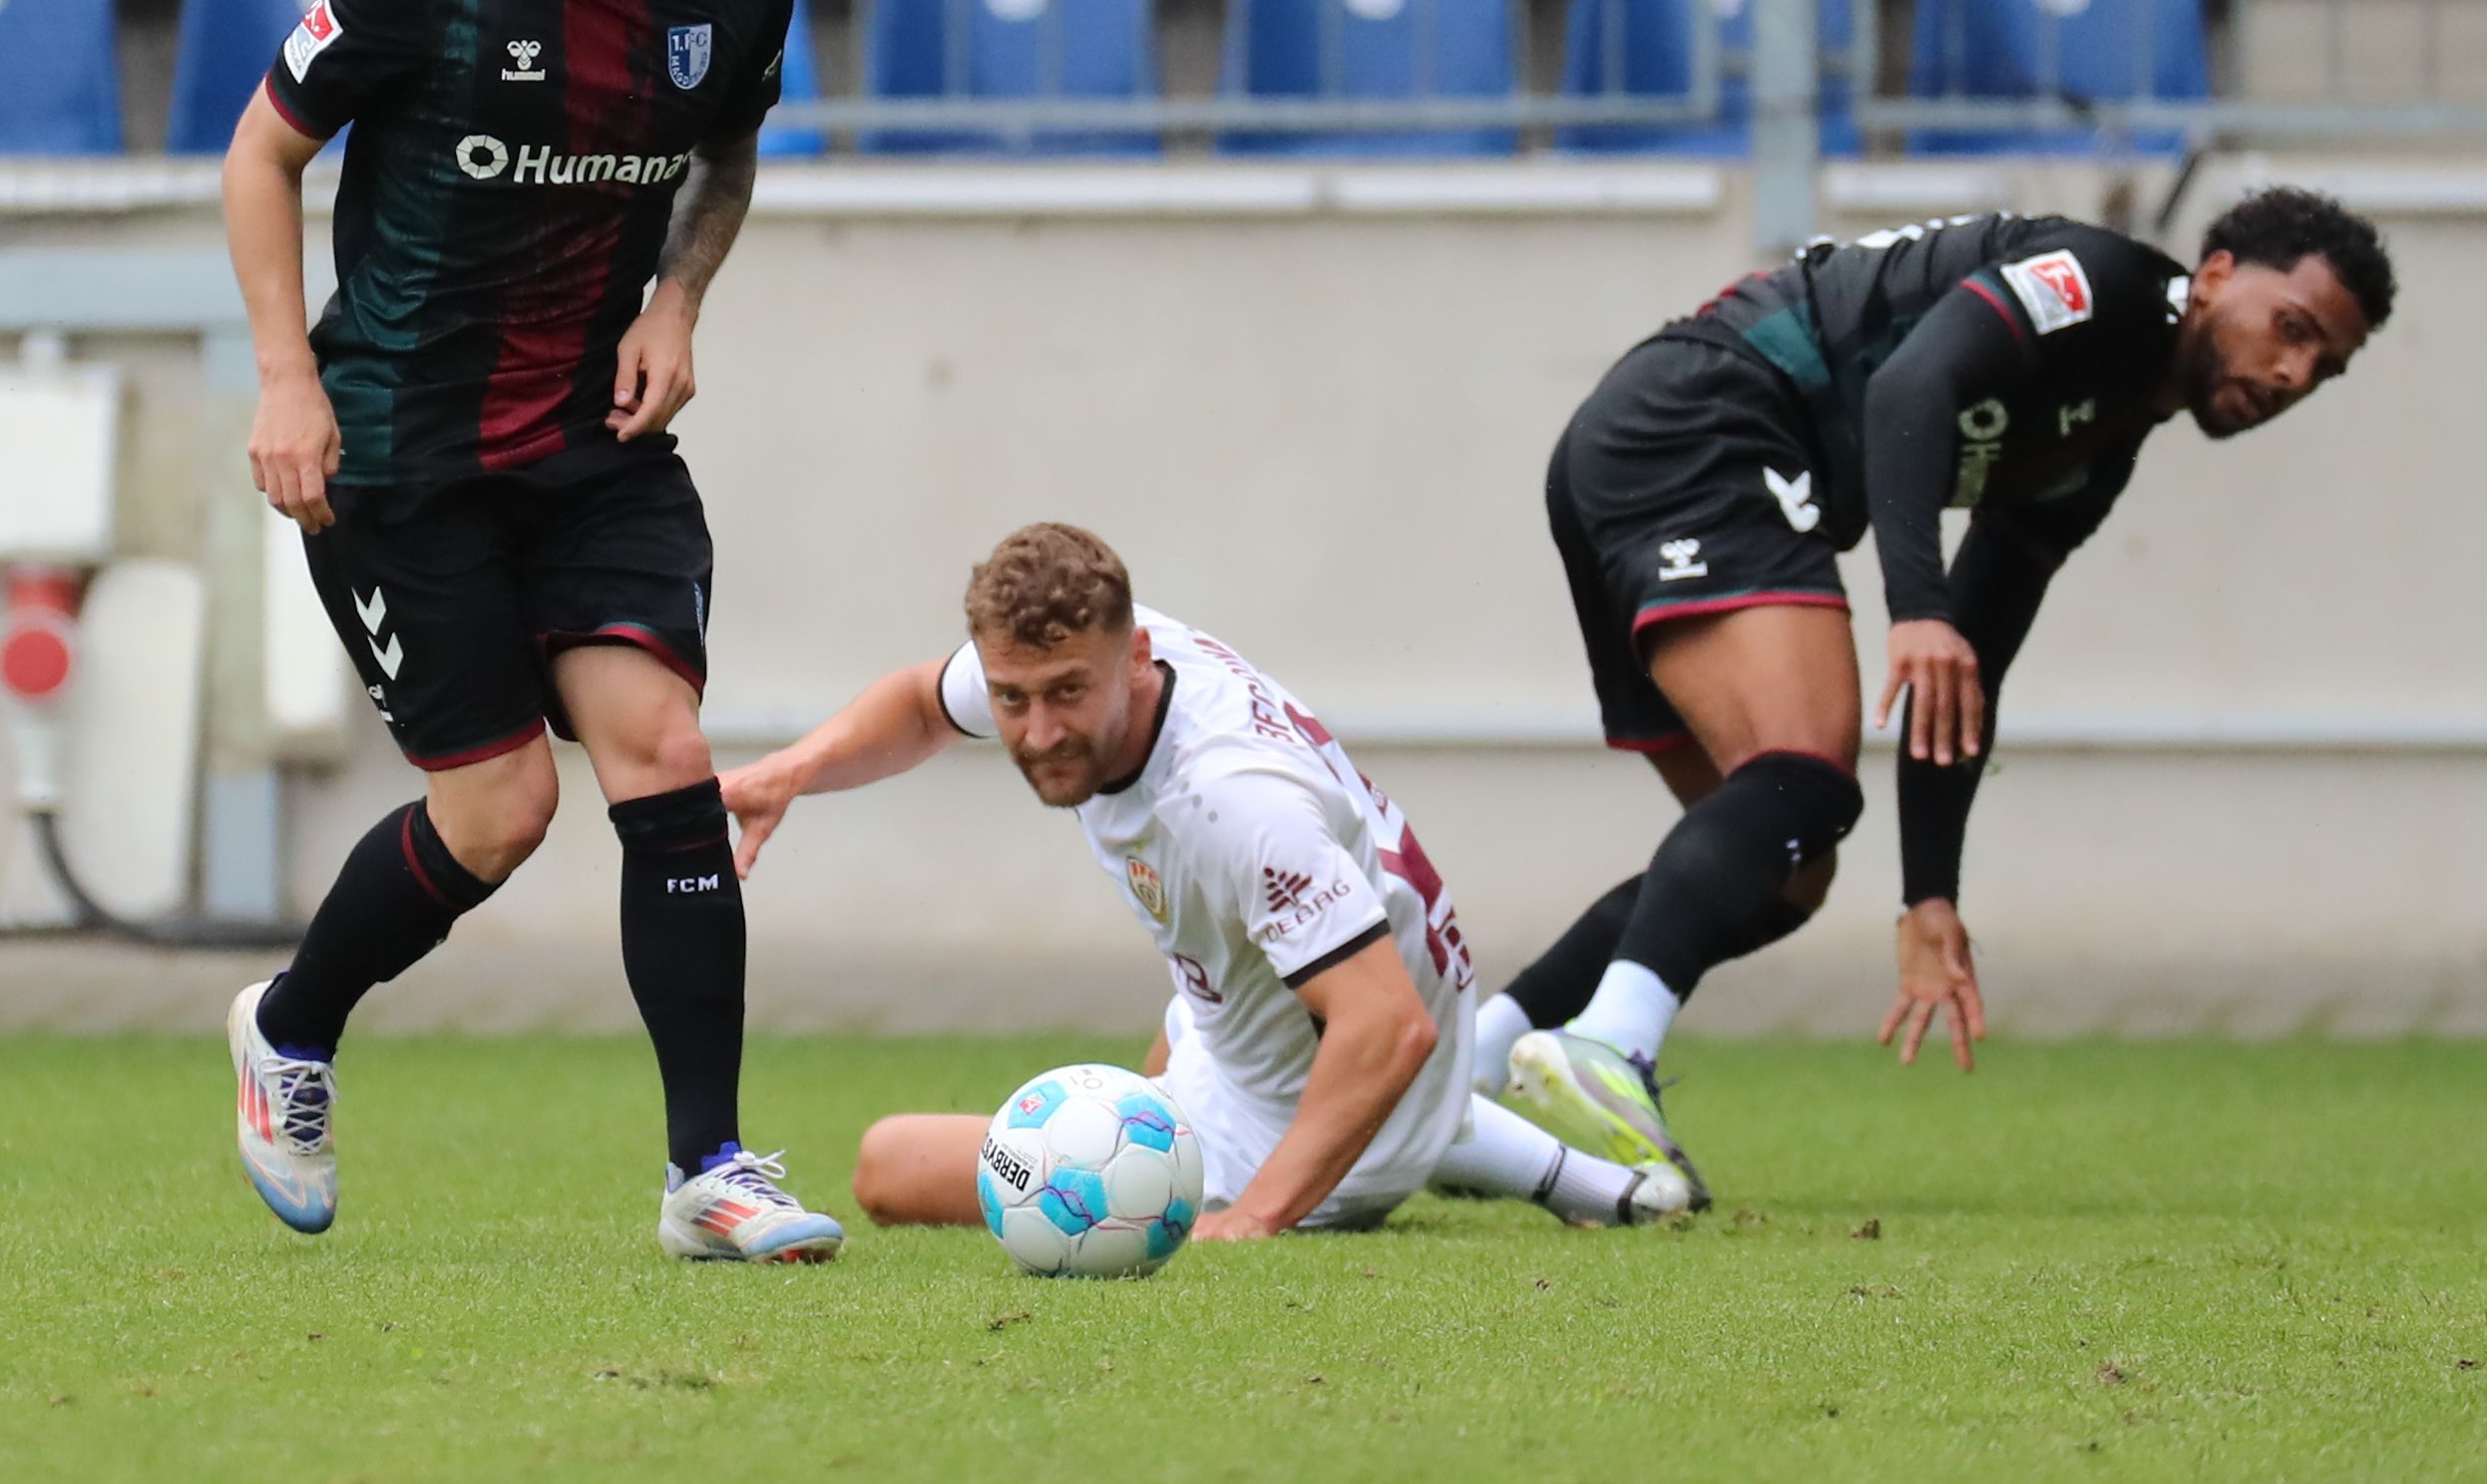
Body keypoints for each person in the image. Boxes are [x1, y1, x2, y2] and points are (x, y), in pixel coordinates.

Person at [216, 0, 843, 1263]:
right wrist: (287, 380)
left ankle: (708, 1170)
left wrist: (682, 297)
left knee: (663, 752)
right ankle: (291, 1026)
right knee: (497, 814)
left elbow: (726, 149)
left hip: (594, 438)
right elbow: (262, 151)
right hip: (401, 450)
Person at [1472, 189, 2397, 1193]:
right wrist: (1913, 601)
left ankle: (1472, 1066)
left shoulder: (2098, 449)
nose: (2293, 372)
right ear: (2214, 276)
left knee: (1784, 860)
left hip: (1649, 445)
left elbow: (1971, 666)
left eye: (2325, 366)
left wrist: (1928, 894)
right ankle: (1608, 1044)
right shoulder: (2104, 285)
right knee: (1802, 776)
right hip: (1708, 418)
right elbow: (1911, 383)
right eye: (2290, 328)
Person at [720, 524, 1697, 1241]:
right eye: (1011, 698)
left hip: (1310, 1106)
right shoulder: (1094, 649)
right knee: (1185, 1020)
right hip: (1282, 1021)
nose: (1037, 729)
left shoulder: (1229, 800)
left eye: (1066, 692)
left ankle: (1370, 1157)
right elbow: (919, 705)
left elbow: (1389, 1025)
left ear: (1132, 656)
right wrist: (790, 769)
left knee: (887, 1162)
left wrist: (1259, 1214)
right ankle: (1596, 1183)